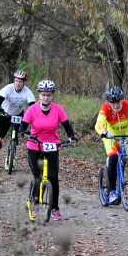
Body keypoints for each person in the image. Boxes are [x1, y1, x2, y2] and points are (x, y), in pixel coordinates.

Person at [19, 80, 78, 221]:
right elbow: (22, 126)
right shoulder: (32, 109)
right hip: (35, 147)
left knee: (53, 178)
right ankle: (34, 205)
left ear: (52, 95)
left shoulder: (58, 109)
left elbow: (67, 125)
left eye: (49, 95)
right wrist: (24, 133)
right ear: (39, 95)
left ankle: (54, 208)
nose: (46, 98)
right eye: (43, 95)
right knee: (38, 178)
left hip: (52, 146)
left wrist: (71, 136)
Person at [94, 86, 128, 205]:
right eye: (113, 103)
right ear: (109, 102)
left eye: (118, 102)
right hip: (110, 137)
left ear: (122, 100)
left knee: (123, 160)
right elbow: (98, 125)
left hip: (126, 136)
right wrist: (104, 132)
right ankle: (112, 191)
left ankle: (120, 185)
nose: (116, 105)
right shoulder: (105, 108)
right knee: (113, 158)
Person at [0, 70, 36, 149]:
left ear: (24, 83)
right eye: (16, 81)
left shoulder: (27, 92)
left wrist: (31, 115)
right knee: (2, 133)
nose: (18, 83)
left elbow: (32, 106)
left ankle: (12, 153)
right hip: (5, 113)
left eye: (20, 81)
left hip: (18, 114)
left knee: (16, 133)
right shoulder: (8, 88)